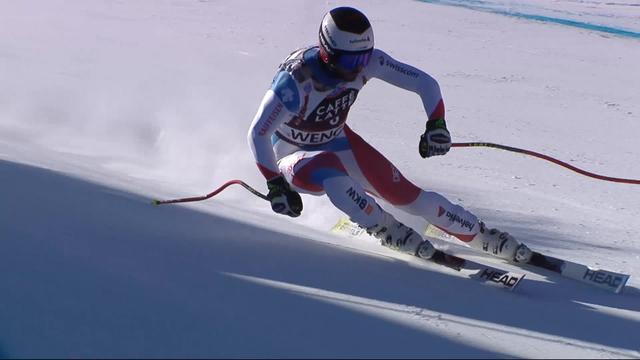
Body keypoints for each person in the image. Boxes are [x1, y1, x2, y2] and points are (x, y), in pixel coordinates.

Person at [247, 6, 532, 263]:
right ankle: (383, 226)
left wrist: (436, 124)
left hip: (337, 141)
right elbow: (258, 134)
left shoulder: (368, 62)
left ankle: (481, 234)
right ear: (327, 53)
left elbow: (425, 83)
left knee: (408, 196)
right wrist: (275, 185)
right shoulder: (296, 81)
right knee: (329, 169)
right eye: (350, 62)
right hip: (291, 156)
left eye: (364, 57)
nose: (359, 67)